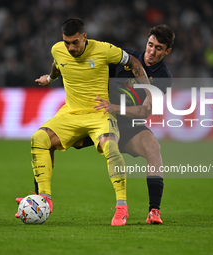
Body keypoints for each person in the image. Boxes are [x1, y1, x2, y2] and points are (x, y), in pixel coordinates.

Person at [15, 18, 149, 226]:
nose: (70, 47)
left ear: (85, 37)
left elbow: (134, 62)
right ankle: (44, 199)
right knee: (39, 138)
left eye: (75, 42)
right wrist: (49, 79)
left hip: (99, 113)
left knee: (111, 147)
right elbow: (58, 65)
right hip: (71, 113)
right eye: (66, 42)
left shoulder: (104, 50)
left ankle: (122, 207)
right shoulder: (58, 50)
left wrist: (150, 93)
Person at [74, 24, 175, 224]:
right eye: (150, 45)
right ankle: (40, 196)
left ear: (167, 51)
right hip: (102, 119)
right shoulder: (126, 57)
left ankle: (154, 211)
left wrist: (114, 107)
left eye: (159, 48)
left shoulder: (163, 77)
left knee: (154, 148)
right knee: (59, 139)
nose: (152, 52)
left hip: (130, 126)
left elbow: (145, 111)